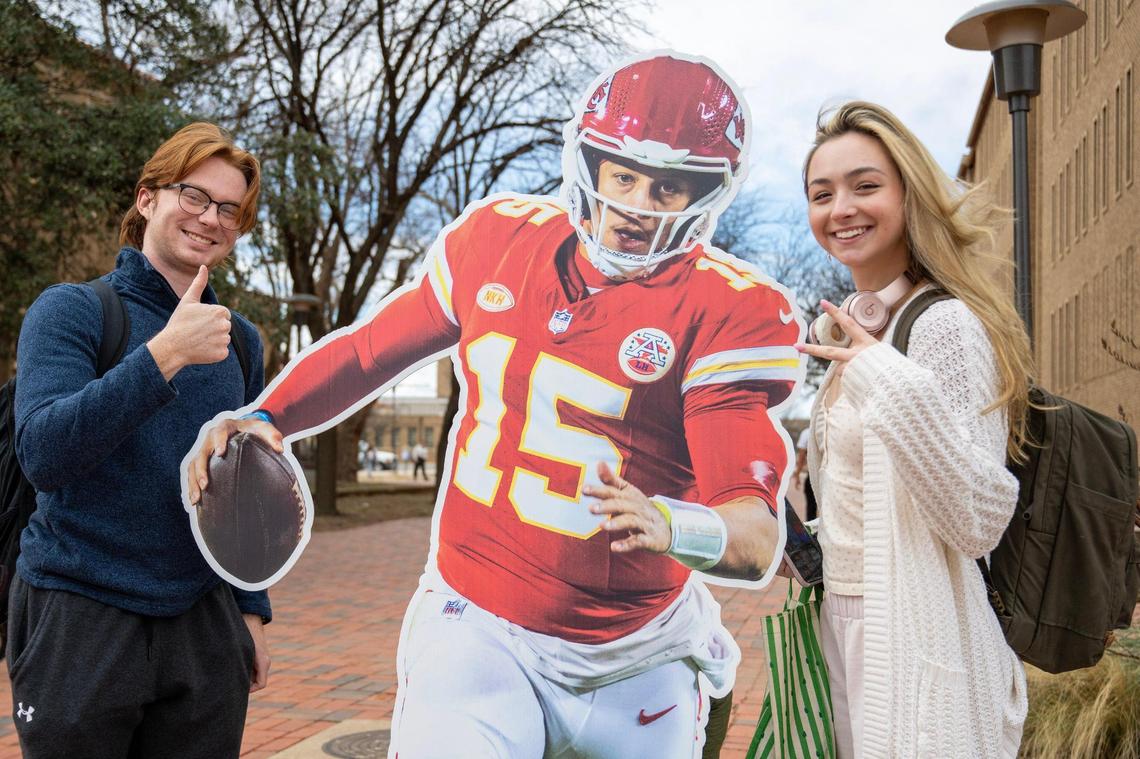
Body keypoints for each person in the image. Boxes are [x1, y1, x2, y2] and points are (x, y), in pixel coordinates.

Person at [188, 52, 802, 757]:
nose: (635, 203)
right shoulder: (499, 242)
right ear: (590, 163)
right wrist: (268, 416)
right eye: (624, 174)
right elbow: (368, 353)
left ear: (705, 193)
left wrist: (671, 523)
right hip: (478, 618)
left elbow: (754, 535)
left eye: (666, 187)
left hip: (637, 653)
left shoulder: (726, 310)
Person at [11, 123, 272, 757]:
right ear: (146, 198)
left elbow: (243, 489)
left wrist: (251, 611)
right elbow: (43, 453)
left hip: (203, 621)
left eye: (229, 209)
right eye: (193, 195)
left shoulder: (239, 340)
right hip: (80, 609)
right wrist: (161, 359)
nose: (210, 218)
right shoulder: (72, 310)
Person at [797, 101, 1032, 757]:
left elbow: (982, 512)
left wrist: (884, 374)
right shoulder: (852, 330)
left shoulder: (943, 326)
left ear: (908, 195)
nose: (841, 207)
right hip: (843, 619)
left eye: (865, 185)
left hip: (916, 632)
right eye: (823, 193)